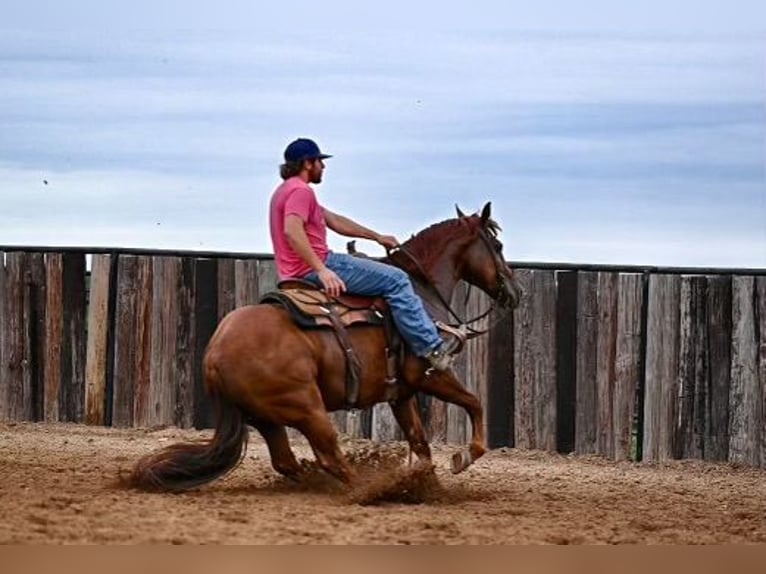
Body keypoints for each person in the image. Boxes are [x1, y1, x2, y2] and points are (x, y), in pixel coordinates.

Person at [268, 137, 459, 371]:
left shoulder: (284, 191)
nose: (323, 167)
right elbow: (292, 231)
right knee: (397, 279)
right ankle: (432, 348)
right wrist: (322, 270)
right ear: (307, 163)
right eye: (319, 161)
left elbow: (335, 221)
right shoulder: (301, 191)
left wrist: (376, 236)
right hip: (317, 266)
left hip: (293, 271)